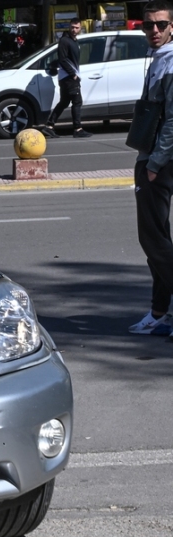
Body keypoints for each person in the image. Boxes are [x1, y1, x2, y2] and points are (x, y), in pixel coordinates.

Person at [128, 1, 173, 337]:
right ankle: (160, 311)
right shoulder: (159, 58)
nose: (153, 30)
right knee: (157, 241)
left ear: (172, 27)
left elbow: (172, 121)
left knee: (154, 240)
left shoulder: (170, 63)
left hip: (161, 160)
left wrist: (154, 163)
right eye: (148, 25)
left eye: (160, 24)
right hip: (154, 156)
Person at [40, 18, 92, 138]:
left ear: (80, 28)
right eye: (72, 27)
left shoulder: (74, 41)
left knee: (64, 102)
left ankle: (49, 126)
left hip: (68, 77)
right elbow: (62, 59)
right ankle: (78, 129)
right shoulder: (65, 40)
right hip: (68, 77)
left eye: (77, 28)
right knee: (77, 101)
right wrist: (73, 74)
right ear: (69, 27)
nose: (74, 30)